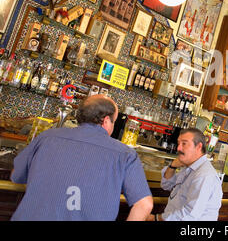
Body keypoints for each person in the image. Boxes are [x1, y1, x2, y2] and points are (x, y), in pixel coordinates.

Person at [10, 94, 153, 221]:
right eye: (114, 122)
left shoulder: (47, 137)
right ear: (106, 121)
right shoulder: (125, 154)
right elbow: (144, 204)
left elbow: (16, 175)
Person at [148, 128, 223, 221]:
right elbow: (166, 185)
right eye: (179, 143)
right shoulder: (188, 168)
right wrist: (172, 166)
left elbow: (189, 214)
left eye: (184, 143)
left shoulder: (204, 175)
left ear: (198, 147)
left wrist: (156, 218)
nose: (178, 148)